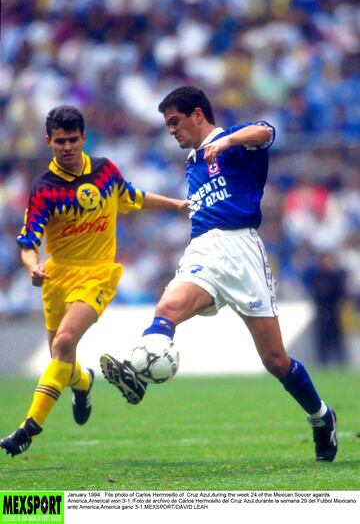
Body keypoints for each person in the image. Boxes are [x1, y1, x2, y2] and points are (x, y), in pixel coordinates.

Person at [100, 86, 337, 463]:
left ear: (197, 114)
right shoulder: (193, 161)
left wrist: (227, 143)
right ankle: (138, 375)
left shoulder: (234, 141)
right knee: (168, 306)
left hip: (242, 251)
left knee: (275, 360)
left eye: (175, 122)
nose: (171, 131)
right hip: (205, 251)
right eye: (167, 125)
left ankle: (321, 417)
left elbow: (267, 131)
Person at [0, 105, 187, 457]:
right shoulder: (44, 189)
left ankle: (29, 428)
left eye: (73, 140)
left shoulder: (104, 171)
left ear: (84, 138)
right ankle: (83, 382)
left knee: (65, 342)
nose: (67, 147)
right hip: (57, 276)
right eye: (60, 142)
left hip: (98, 271)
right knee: (64, 358)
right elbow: (28, 242)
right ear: (49, 142)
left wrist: (176, 205)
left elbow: (133, 197)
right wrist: (32, 266)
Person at [305, 252, 348, 366]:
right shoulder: (317, 276)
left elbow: (341, 293)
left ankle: (341, 362)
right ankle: (322, 363)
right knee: (322, 340)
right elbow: (314, 293)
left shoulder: (337, 275)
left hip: (335, 311)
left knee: (338, 339)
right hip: (322, 312)